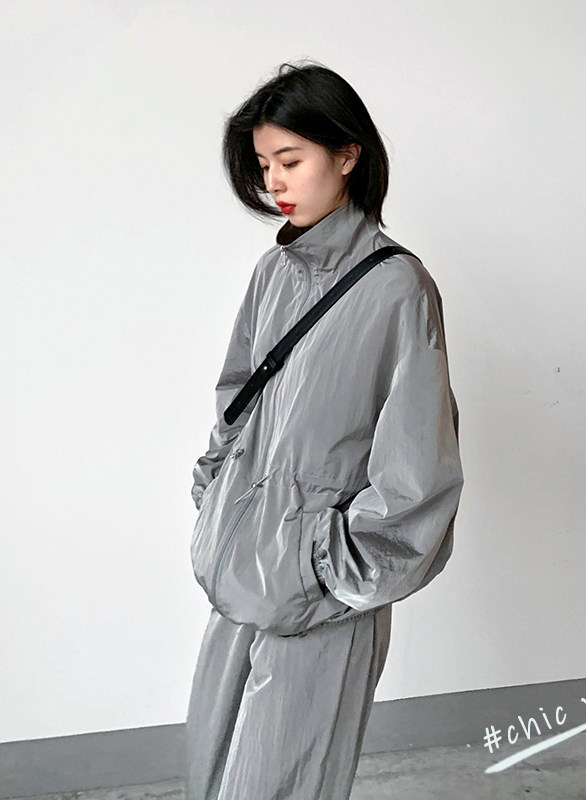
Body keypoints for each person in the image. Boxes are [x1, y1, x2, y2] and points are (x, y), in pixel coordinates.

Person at [185, 61, 464, 800]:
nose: (274, 181)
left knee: (284, 785)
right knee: (212, 775)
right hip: (240, 571)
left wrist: (323, 565)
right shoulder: (272, 274)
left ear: (347, 155)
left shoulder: (398, 288)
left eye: (291, 160)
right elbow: (236, 404)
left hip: (318, 596)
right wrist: (218, 499)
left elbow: (420, 469)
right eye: (263, 165)